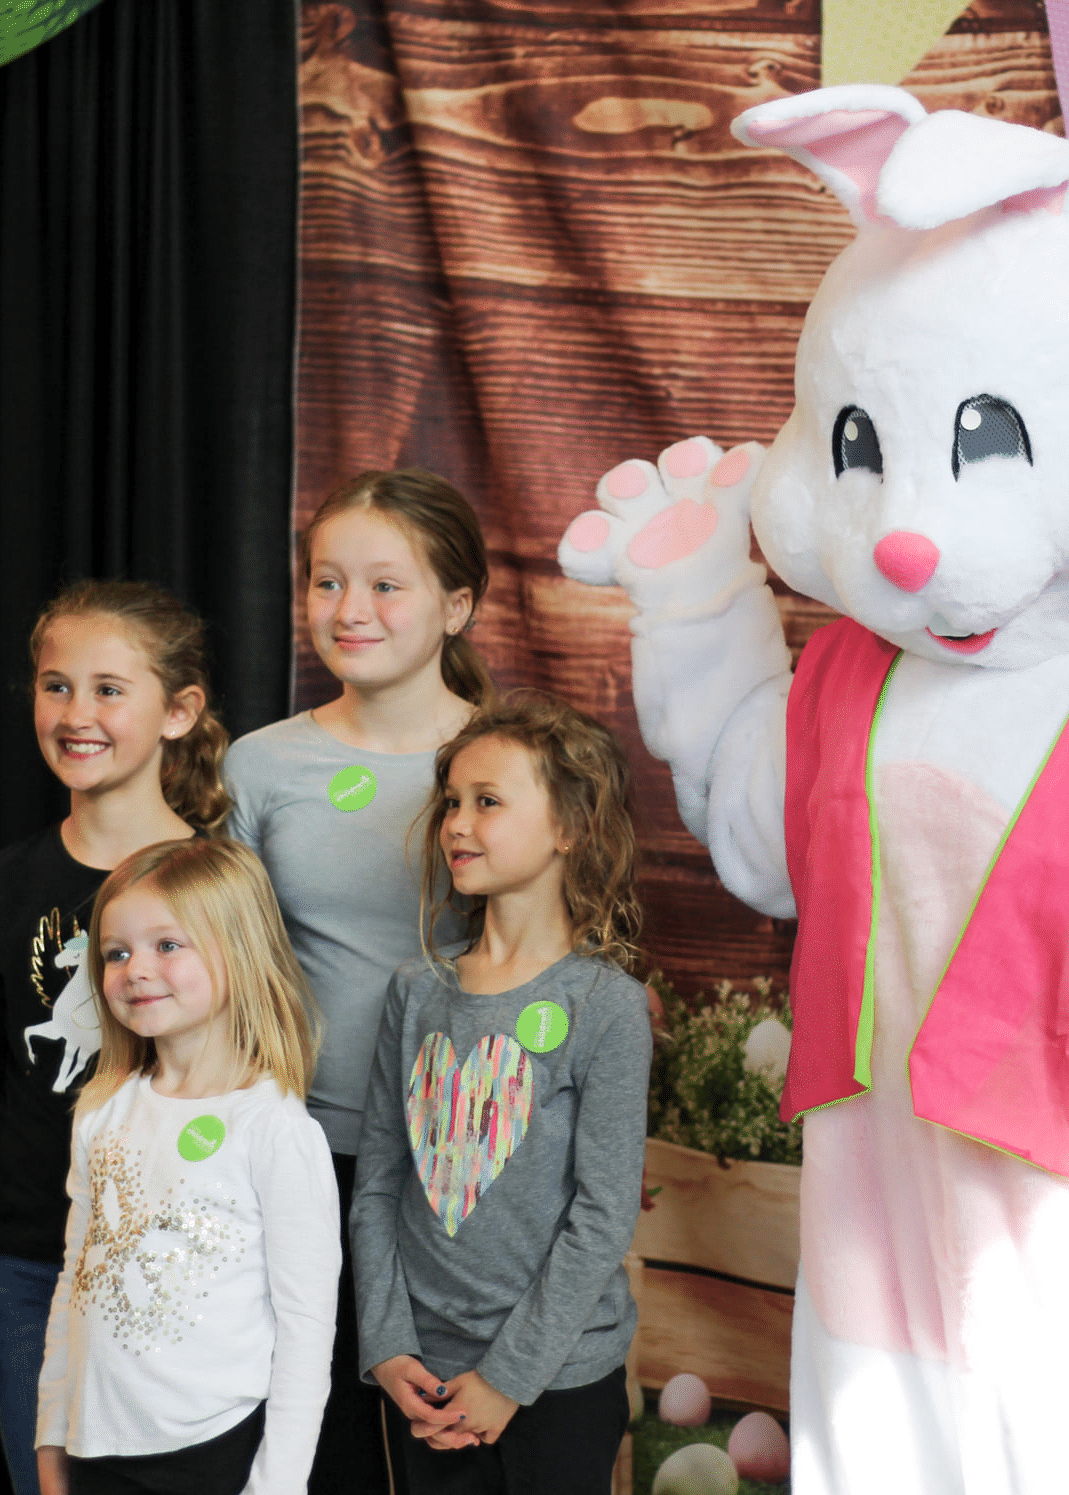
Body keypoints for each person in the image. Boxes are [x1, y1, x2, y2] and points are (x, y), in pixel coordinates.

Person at [0, 580, 230, 1495]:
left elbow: (255, 1079)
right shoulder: (1, 888)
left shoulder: (224, 885)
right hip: (27, 1274)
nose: (77, 714)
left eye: (107, 689)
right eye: (56, 686)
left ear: (179, 711)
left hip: (181, 1268)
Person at [224, 469, 492, 1491]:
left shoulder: (503, 758)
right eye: (327, 582)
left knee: (445, 1437)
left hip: (460, 1164)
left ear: (455, 604)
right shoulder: (260, 767)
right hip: (299, 1153)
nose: (349, 610)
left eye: (386, 585)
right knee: (313, 1436)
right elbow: (226, 967)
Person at [351, 691, 652, 1495]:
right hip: (423, 1376)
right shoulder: (416, 992)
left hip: (555, 1380)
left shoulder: (606, 1005)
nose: (456, 823)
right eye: (452, 802)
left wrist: (510, 1378)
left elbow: (602, 1215)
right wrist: (385, 1344)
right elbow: (379, 1182)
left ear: (569, 827)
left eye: (487, 802)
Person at [34, 837, 339, 1495]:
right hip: (95, 1449)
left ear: (240, 950)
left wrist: (276, 1484)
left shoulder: (274, 1128)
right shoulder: (102, 1109)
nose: (136, 968)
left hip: (214, 1451)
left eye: (167, 945)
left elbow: (306, 1331)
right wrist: (51, 1430)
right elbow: (74, 1282)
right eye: (117, 952)